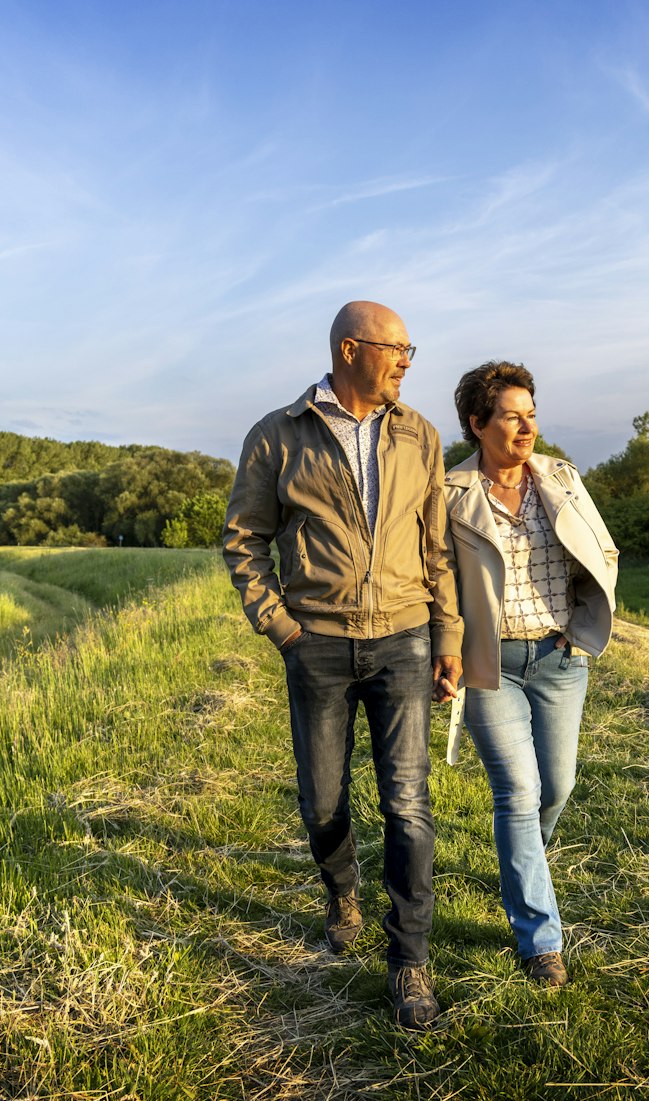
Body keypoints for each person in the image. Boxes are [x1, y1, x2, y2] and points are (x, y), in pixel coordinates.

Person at [223, 301, 463, 1029]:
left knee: (408, 803)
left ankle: (410, 960)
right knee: (323, 799)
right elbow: (244, 539)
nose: (408, 360)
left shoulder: (418, 432)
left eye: (410, 350)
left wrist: (447, 637)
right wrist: (281, 626)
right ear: (352, 348)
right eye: (398, 348)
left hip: (405, 636)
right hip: (317, 642)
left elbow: (437, 545)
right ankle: (341, 891)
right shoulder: (278, 433)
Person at [443, 361, 618, 987]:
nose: (527, 427)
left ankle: (523, 866)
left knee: (558, 788)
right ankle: (540, 939)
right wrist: (448, 650)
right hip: (491, 666)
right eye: (512, 416)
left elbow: (601, 548)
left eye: (531, 413)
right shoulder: (450, 495)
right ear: (477, 423)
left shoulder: (561, 479)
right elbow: (437, 582)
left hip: (559, 659)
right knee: (516, 794)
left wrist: (583, 625)